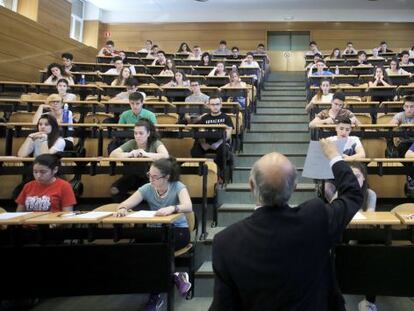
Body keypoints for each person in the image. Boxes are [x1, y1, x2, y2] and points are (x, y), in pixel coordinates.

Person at [209, 139, 363, 311]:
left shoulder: (225, 242)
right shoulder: (316, 218)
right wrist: (334, 156)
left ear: (251, 186)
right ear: (294, 187)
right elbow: (353, 195)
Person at [115, 157, 193, 308]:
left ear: (167, 177)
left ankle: (155, 297)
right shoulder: (147, 188)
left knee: (156, 252)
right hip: (156, 231)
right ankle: (176, 276)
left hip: (178, 231)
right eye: (149, 175)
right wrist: (123, 208)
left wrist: (173, 208)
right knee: (143, 249)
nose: (151, 179)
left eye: (155, 177)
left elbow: (188, 206)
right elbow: (125, 203)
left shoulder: (178, 186)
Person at [110, 119, 168, 202]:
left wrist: (146, 154)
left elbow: (166, 156)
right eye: (135, 133)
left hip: (150, 177)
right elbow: (113, 154)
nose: (137, 136)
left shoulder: (155, 142)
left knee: (149, 191)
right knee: (114, 190)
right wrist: (129, 154)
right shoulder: (132, 142)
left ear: (148, 134)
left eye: (141, 133)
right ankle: (127, 208)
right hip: (132, 176)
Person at [191, 97, 233, 182]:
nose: (215, 107)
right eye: (213, 104)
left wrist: (217, 144)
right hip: (206, 143)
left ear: (221, 105)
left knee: (223, 151)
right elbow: (200, 132)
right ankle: (202, 172)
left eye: (217, 104)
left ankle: (219, 174)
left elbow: (228, 134)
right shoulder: (204, 118)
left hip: (221, 143)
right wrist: (203, 144)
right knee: (194, 151)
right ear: (209, 106)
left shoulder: (226, 117)